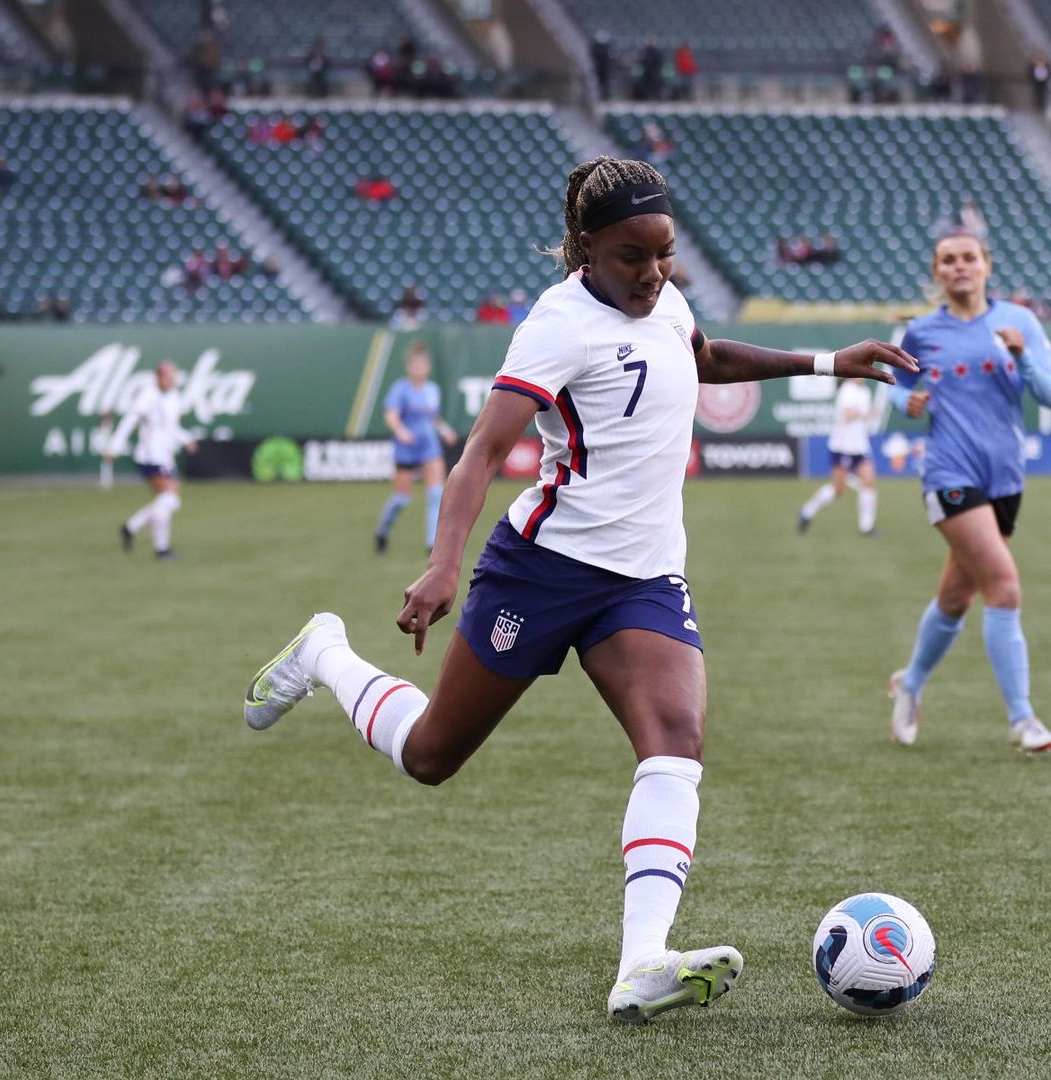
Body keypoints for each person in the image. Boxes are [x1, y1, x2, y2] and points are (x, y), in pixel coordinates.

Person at [242, 156, 915, 1025]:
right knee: (432, 757)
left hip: (642, 578)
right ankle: (324, 650)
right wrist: (444, 563)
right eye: (633, 256)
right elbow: (483, 452)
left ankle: (643, 963)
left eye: (665, 253)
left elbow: (704, 358)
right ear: (587, 250)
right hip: (542, 569)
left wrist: (829, 360)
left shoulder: (664, 300)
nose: (654, 272)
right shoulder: (558, 325)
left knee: (676, 738)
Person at [887, 229, 1051, 753]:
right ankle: (1024, 720)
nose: (960, 267)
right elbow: (898, 387)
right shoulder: (920, 332)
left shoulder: (1020, 322)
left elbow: (1047, 390)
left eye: (969, 258)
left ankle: (908, 683)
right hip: (949, 476)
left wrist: (1023, 357)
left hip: (1005, 480)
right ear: (937, 272)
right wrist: (905, 405)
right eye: (949, 260)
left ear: (987, 265)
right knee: (1003, 584)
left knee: (957, 596)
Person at [374, 341, 457, 553]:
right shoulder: (400, 389)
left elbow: (433, 418)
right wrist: (401, 431)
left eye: (423, 365)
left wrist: (445, 430)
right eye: (415, 365)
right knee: (401, 499)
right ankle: (382, 531)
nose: (419, 368)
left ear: (427, 367)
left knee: (435, 494)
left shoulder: (432, 390)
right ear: (409, 367)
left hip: (429, 446)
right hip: (407, 447)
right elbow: (390, 415)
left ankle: (431, 543)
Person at [109, 361, 197, 560]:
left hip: (166, 455)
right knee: (169, 499)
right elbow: (130, 420)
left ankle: (132, 528)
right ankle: (160, 547)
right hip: (151, 455)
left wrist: (186, 438)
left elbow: (171, 427)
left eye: (172, 376)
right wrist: (115, 445)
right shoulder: (148, 396)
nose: (170, 380)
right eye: (166, 376)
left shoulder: (174, 397)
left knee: (168, 501)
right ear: (158, 377)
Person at [797, 378, 878, 535]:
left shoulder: (866, 391)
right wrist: (867, 413)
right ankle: (807, 511)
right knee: (838, 488)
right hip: (843, 446)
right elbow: (847, 414)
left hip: (860, 445)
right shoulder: (847, 389)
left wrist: (868, 415)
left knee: (869, 482)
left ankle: (866, 527)